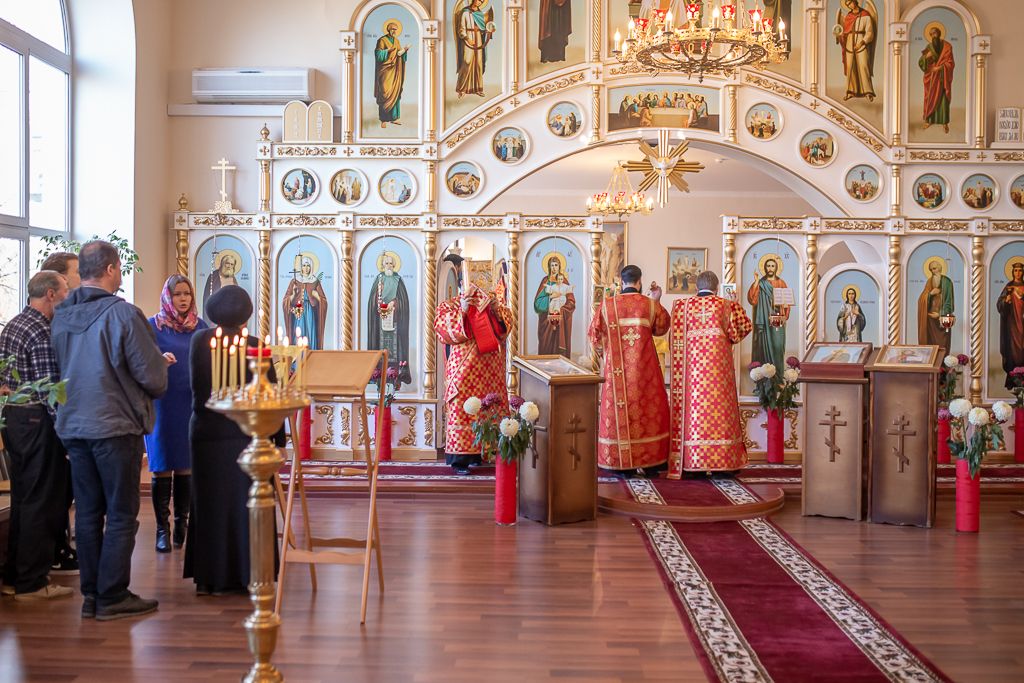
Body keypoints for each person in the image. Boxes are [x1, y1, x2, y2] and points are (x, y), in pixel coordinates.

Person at [51, 240, 171, 621]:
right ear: (110, 269)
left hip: (74, 426)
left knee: (87, 512)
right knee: (120, 512)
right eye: (119, 268)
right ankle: (113, 595)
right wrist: (161, 366)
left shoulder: (61, 316)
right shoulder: (123, 314)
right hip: (115, 425)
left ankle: (91, 595)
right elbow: (152, 377)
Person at [185, 286, 283, 594]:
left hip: (206, 431)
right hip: (247, 434)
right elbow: (270, 396)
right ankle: (248, 573)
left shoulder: (199, 341)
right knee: (247, 504)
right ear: (246, 314)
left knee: (209, 502)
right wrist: (278, 439)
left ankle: (208, 578)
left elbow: (196, 388)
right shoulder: (255, 346)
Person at [0, 271, 72, 600]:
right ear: (51, 295)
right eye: (65, 290)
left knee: (24, 497)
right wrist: (66, 433)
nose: (68, 297)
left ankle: (14, 577)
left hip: (14, 417)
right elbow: (50, 391)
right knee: (41, 499)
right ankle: (32, 583)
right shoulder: (42, 330)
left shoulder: (15, 324)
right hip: (35, 421)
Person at [587, 266, 671, 477]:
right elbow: (662, 327)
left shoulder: (607, 305)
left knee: (619, 416)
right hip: (645, 373)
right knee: (648, 413)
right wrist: (657, 300)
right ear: (639, 282)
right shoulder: (649, 304)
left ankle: (622, 464)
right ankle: (650, 463)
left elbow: (594, 337)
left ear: (621, 282)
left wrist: (606, 354)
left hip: (617, 374)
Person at [145, 275, 207, 554]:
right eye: (178, 294)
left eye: (187, 294)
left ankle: (182, 523)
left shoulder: (200, 327)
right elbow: (142, 361)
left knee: (185, 463)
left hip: (190, 401)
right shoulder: (152, 326)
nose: (183, 299)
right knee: (161, 462)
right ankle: (162, 529)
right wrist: (159, 361)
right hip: (162, 402)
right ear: (168, 297)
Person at [669, 271, 753, 476]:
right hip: (719, 375)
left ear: (696, 287)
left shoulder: (682, 307)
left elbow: (673, 341)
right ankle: (723, 464)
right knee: (721, 413)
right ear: (717, 288)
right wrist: (736, 304)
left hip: (693, 376)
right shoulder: (726, 305)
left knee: (694, 415)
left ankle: (693, 463)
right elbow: (742, 330)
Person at [435, 255, 512, 475]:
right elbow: (443, 331)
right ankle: (460, 459)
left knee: (488, 408)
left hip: (489, 371)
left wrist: (497, 311)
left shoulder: (493, 304)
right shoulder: (449, 306)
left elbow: (506, 328)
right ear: (461, 283)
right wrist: (463, 310)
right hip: (463, 370)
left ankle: (481, 453)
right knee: (462, 409)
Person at [38, 251, 81, 575]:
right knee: (54, 491)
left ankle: (60, 547)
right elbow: (50, 381)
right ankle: (53, 551)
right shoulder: (46, 323)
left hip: (62, 417)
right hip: (48, 421)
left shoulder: (61, 317)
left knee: (63, 489)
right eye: (76, 272)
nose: (81, 277)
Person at [366, 253, 411, 384]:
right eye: (386, 263)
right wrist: (378, 300)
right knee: (381, 342)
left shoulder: (398, 280)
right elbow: (373, 299)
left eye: (391, 263)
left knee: (394, 346)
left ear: (394, 265)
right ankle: (378, 373)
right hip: (380, 320)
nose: (389, 266)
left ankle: (396, 373)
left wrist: (394, 303)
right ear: (383, 265)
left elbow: (403, 301)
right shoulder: (379, 279)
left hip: (395, 318)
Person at [747, 257, 790, 370]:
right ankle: (764, 374)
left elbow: (787, 304)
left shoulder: (781, 283)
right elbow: (752, 300)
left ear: (776, 268)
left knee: (777, 344)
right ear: (765, 268)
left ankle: (778, 373)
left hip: (777, 317)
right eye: (768, 266)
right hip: (763, 319)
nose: (770, 268)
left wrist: (784, 310)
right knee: (762, 346)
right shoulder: (761, 283)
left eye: (772, 266)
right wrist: (756, 281)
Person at [282, 254, 328, 349]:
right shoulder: (295, 281)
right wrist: (293, 295)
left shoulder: (315, 281)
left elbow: (323, 301)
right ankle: (297, 356)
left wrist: (317, 297)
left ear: (311, 267)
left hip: (310, 312)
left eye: (308, 266)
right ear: (301, 267)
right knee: (299, 333)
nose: (306, 268)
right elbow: (285, 300)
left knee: (310, 333)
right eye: (304, 265)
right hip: (298, 312)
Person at [534, 255, 575, 358]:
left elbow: (571, 301)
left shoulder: (564, 281)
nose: (554, 268)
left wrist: (561, 309)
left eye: (556, 265)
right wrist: (551, 298)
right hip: (546, 321)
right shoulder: (545, 281)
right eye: (552, 265)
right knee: (546, 347)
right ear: (549, 267)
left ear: (559, 266)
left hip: (560, 319)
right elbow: (537, 303)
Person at [835, 0, 877, 101]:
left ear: (855, 1)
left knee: (863, 65)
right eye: (847, 4)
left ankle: (868, 92)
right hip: (849, 42)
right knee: (850, 66)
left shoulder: (865, 15)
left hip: (861, 41)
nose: (849, 5)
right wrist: (839, 36)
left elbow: (870, 32)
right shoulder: (848, 17)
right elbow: (844, 32)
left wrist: (862, 43)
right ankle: (851, 91)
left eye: (850, 2)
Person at [454, 0, 495, 98]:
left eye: (482, 1)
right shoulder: (465, 12)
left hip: (478, 38)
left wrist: (489, 30)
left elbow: (483, 28)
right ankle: (462, 89)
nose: (480, 2)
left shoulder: (480, 14)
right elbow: (461, 28)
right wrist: (467, 38)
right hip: (468, 38)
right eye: (479, 0)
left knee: (478, 63)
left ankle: (478, 88)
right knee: (467, 61)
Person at [919, 24, 954, 133]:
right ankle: (929, 120)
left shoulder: (947, 46)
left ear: (939, 33)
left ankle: (944, 123)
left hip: (942, 77)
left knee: (943, 100)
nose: (933, 36)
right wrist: (926, 57)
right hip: (932, 78)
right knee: (930, 98)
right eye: (931, 34)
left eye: (934, 33)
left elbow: (950, 63)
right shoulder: (929, 47)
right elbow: (921, 62)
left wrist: (940, 68)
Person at [374, 20, 408, 127]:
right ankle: (383, 120)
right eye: (393, 29)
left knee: (395, 92)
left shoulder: (396, 41)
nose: (394, 31)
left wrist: (404, 51)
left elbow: (399, 54)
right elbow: (378, 54)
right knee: (384, 93)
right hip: (385, 71)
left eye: (396, 30)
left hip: (395, 71)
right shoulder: (382, 40)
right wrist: (387, 51)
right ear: (388, 29)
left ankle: (394, 118)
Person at [918, 259, 954, 356]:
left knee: (943, 343)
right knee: (931, 344)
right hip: (930, 319)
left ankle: (943, 362)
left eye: (934, 269)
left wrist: (940, 314)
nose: (933, 271)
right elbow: (922, 299)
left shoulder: (947, 282)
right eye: (931, 270)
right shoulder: (929, 281)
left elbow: (949, 302)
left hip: (942, 318)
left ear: (940, 268)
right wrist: (930, 294)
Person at [997, 261, 1024, 390]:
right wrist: (1006, 301)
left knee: (1022, 347)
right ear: (1012, 272)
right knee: (1012, 348)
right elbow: (1000, 305)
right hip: (1011, 324)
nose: (1017, 273)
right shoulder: (1008, 287)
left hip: (1022, 322)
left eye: (1020, 270)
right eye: (1015, 271)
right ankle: (1012, 376)